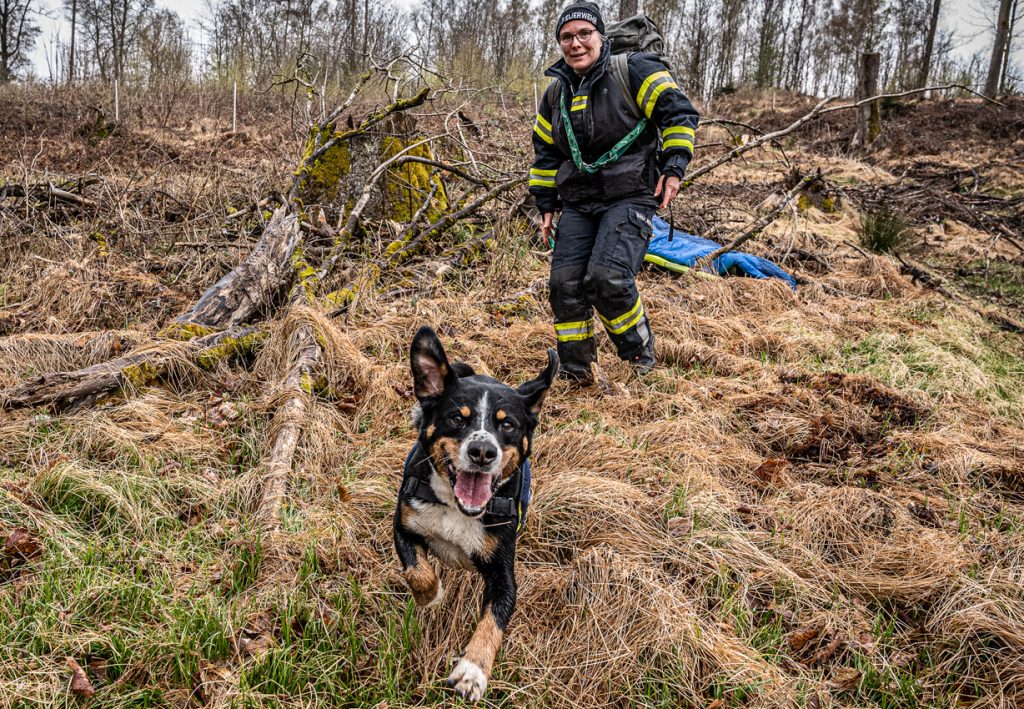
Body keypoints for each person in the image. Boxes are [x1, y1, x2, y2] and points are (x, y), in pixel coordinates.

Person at [529, 1, 700, 383]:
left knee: (607, 278)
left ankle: (640, 358)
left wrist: (674, 168)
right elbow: (545, 152)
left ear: (601, 37)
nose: (575, 44)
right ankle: (575, 370)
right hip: (579, 201)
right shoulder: (555, 92)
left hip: (630, 195)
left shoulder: (635, 70)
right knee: (564, 283)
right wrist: (545, 204)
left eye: (584, 34)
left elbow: (679, 114)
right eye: (566, 37)